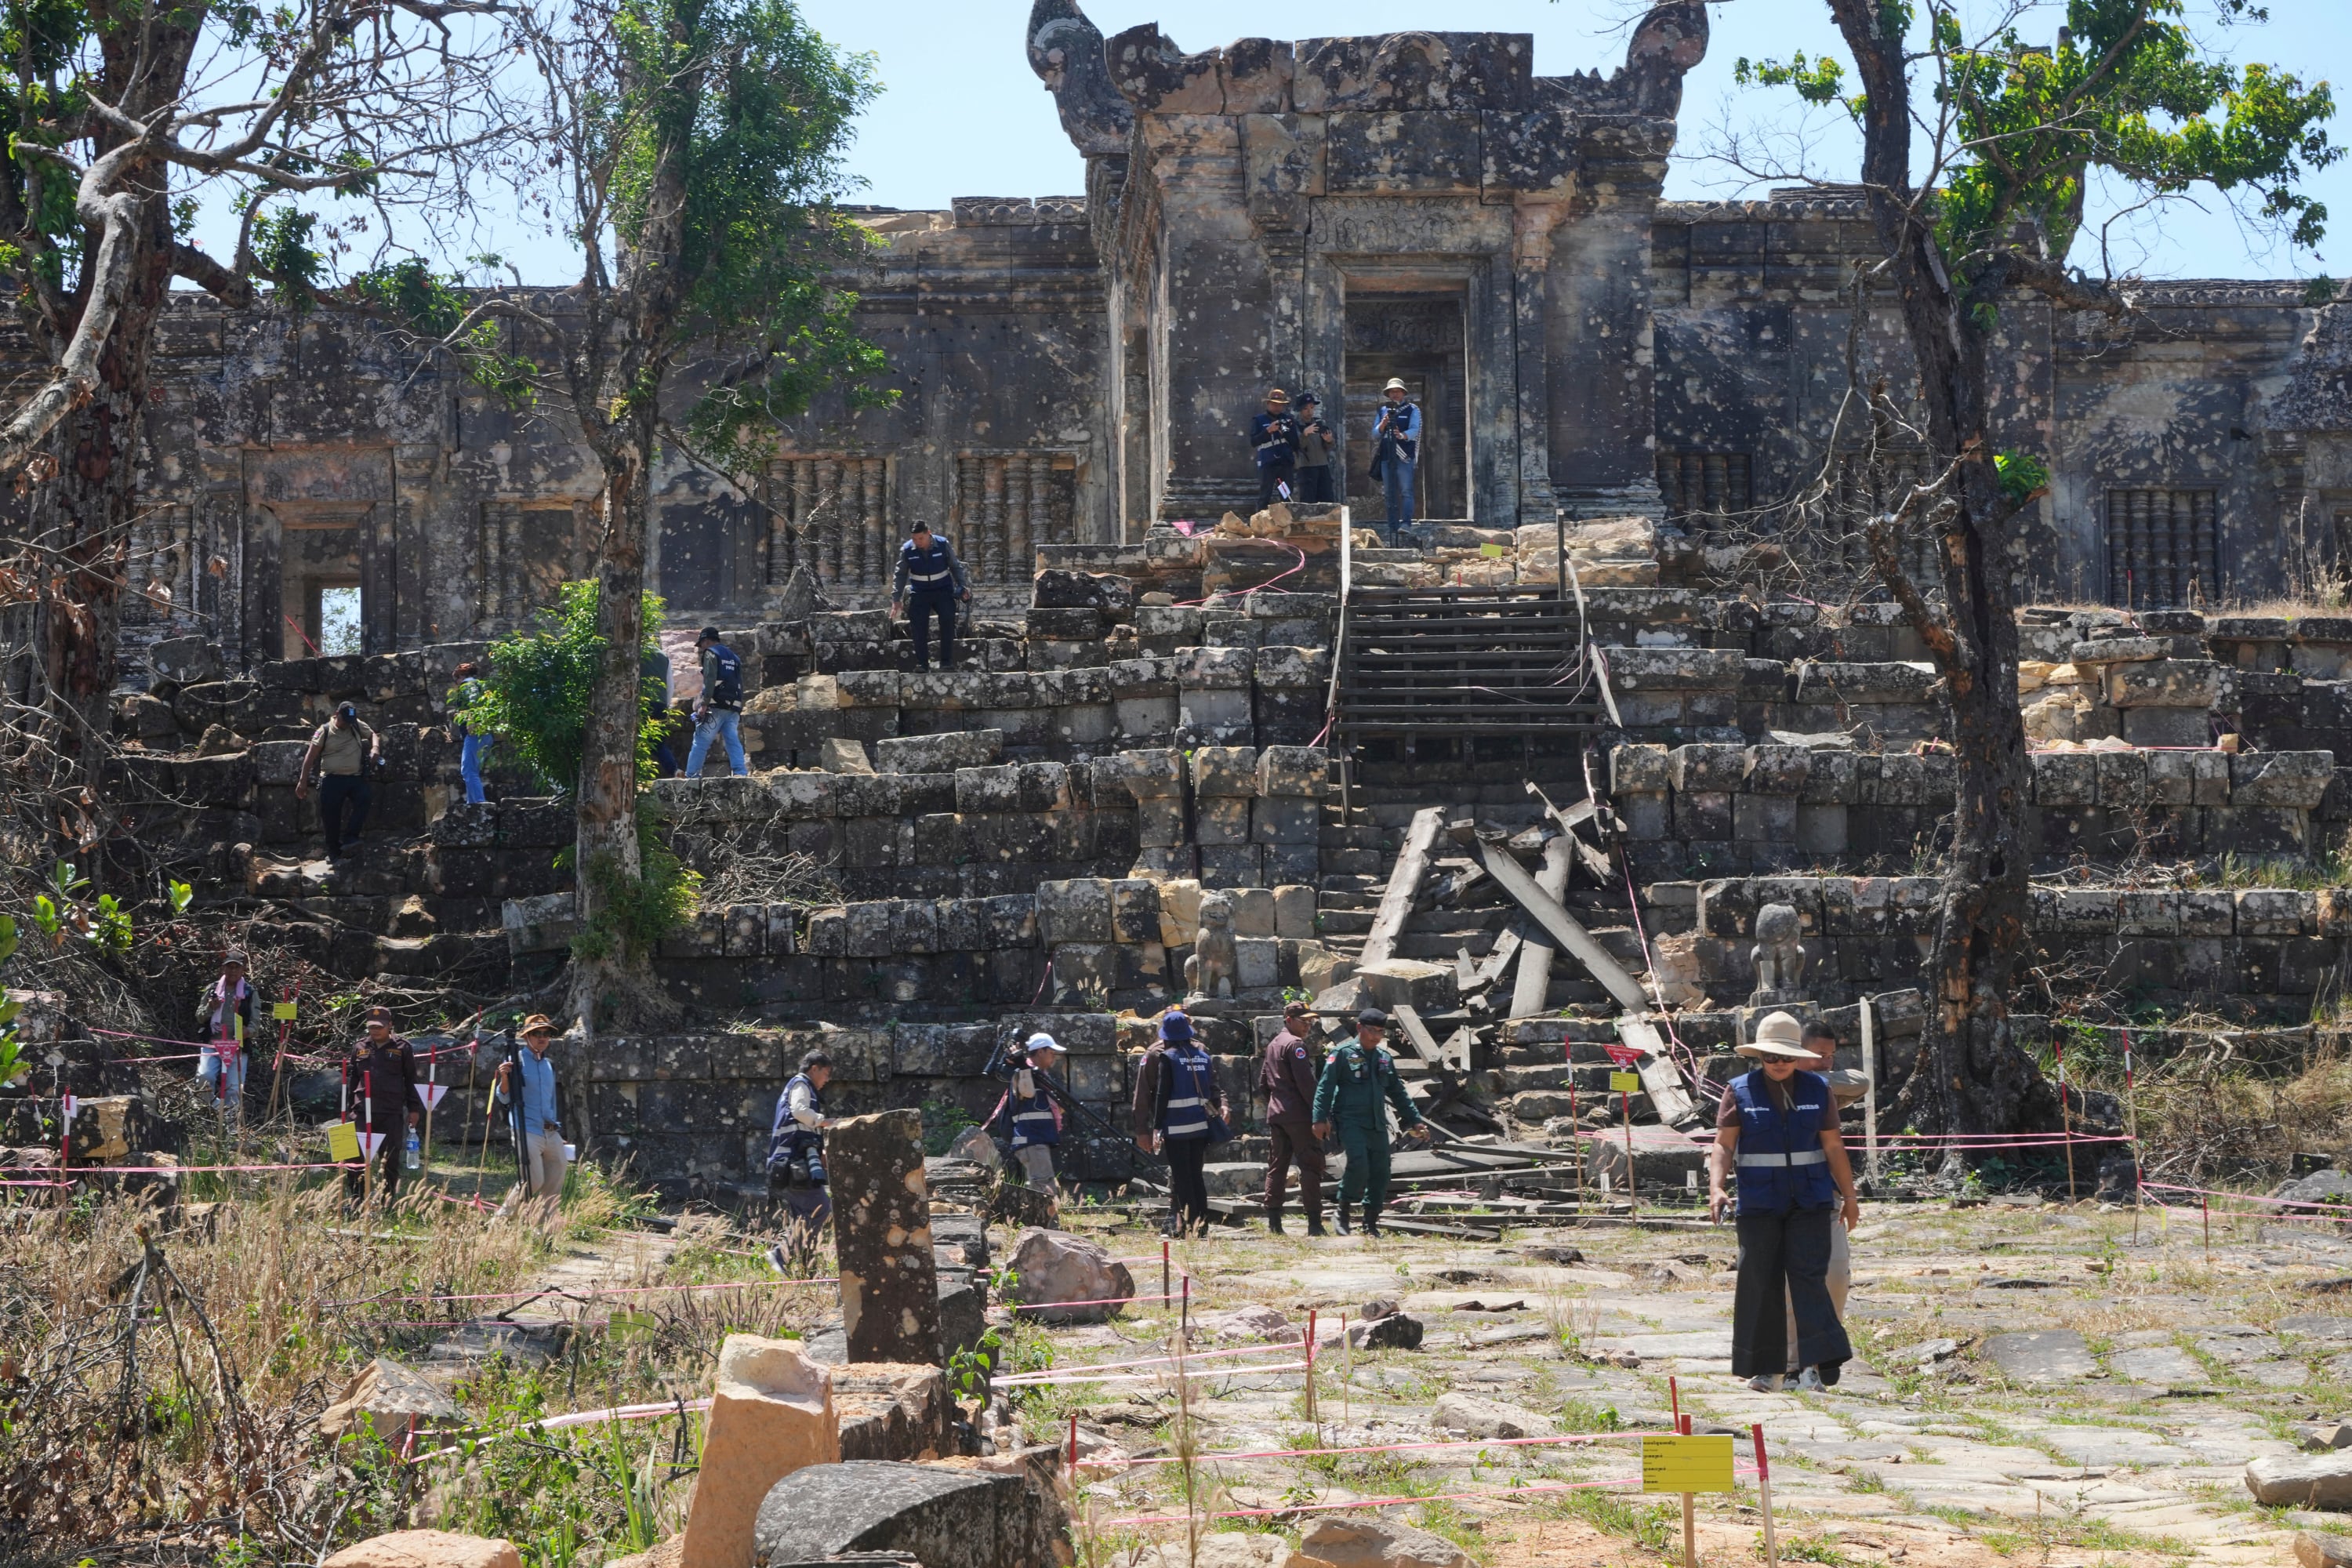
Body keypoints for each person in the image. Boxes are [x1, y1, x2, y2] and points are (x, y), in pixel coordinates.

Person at [1708, 1010, 1860, 1393]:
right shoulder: (1739, 1090)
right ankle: (1766, 1369)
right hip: (1760, 1202)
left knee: (1811, 1281)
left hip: (1811, 1200)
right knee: (1760, 1281)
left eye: (1787, 1057)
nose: (1779, 1063)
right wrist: (1716, 1187)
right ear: (1759, 1056)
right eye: (1770, 1056)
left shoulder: (1817, 1089)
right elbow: (1724, 1144)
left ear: (1798, 1057)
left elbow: (1833, 1146)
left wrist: (1850, 1196)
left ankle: (1812, 1368)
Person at [1312, 1007, 1429, 1237]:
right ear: (1359, 1028)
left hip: (1377, 1122)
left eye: (1380, 1031)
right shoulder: (1342, 1053)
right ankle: (1343, 1211)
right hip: (1350, 1120)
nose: (1376, 1036)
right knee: (1358, 1163)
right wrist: (1319, 1118)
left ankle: (1370, 1222)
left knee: (1381, 1171)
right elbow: (1325, 1087)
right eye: (1372, 1030)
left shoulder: (1384, 1058)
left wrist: (1415, 1120)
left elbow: (1398, 1092)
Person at [1786, 1019, 1854, 1375]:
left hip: (1824, 1194)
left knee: (1836, 1274)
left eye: (1831, 1056)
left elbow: (1860, 1081)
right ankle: (1793, 1362)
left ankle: (1826, 1350)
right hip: (1780, 1196)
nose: (1827, 1062)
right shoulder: (1760, 1089)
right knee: (1787, 1285)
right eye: (1819, 1055)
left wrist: (1815, 1079)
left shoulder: (1824, 1087)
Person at [1132, 1009, 1228, 1238]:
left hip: (1175, 1126)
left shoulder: (1169, 1057)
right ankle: (1197, 1226)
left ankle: (1187, 1226)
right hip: (1199, 1126)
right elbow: (1212, 1089)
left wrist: (1155, 1128)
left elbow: (1160, 1095)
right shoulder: (1199, 1055)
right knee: (1194, 1176)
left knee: (1183, 1178)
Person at [1260, 1000, 1327, 1236]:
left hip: (1277, 1115)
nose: (1308, 1026)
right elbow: (1306, 1083)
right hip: (1298, 1116)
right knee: (1310, 1165)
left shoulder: (1273, 1045)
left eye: (1311, 1022)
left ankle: (1274, 1223)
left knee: (1277, 1166)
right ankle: (1314, 1224)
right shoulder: (1295, 1045)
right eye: (1303, 1021)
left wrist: (1277, 1103)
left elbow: (1263, 1082)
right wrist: (1320, 1114)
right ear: (1288, 1020)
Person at [343, 1007, 421, 1207]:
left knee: (389, 1160)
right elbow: (353, 1080)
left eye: (379, 1027)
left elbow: (411, 1079)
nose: (375, 1030)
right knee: (355, 1160)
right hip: (361, 1111)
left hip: (390, 1112)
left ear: (390, 1026)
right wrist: (349, 1109)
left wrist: (414, 1109)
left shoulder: (403, 1047)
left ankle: (387, 1204)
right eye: (372, 1027)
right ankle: (357, 1202)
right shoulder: (360, 1046)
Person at [495, 1014, 567, 1204]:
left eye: (546, 1034)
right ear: (527, 1037)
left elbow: (551, 1101)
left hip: (550, 1131)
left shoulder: (548, 1065)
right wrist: (504, 1078)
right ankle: (502, 1218)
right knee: (532, 1181)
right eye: (537, 1034)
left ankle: (544, 1223)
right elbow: (504, 1097)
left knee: (556, 1180)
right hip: (526, 1129)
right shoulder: (515, 1061)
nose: (542, 1038)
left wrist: (556, 1130)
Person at [296, 702, 383, 858]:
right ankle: (333, 849)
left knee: (364, 799)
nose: (347, 725)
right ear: (337, 714)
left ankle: (351, 837)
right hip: (332, 779)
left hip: (355, 778)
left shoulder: (355, 724)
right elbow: (310, 756)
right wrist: (302, 781)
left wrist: (375, 748)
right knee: (331, 814)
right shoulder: (324, 731)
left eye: (350, 722)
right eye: (344, 721)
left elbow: (372, 735)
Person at [768, 1048, 837, 1244]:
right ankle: (781, 1255)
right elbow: (799, 1111)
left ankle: (798, 1260)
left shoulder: (802, 1087)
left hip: (790, 1162)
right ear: (814, 1069)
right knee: (822, 1208)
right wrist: (824, 1121)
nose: (827, 1079)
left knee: (803, 1217)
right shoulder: (801, 1084)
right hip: (793, 1163)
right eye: (826, 1073)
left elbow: (801, 1128)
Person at [891, 522, 971, 672]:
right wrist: (896, 599)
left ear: (929, 533)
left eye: (921, 538)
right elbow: (900, 574)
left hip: (943, 590)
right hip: (920, 592)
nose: (917, 542)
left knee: (947, 622)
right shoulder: (907, 549)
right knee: (918, 626)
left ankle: (946, 662)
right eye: (914, 539)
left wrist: (962, 585)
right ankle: (922, 664)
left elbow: (955, 566)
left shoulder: (942, 544)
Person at [195, 950, 256, 1124]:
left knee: (234, 1088)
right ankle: (212, 1113)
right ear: (223, 968)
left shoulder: (250, 992)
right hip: (212, 1044)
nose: (233, 971)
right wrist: (210, 1008)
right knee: (205, 1077)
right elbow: (199, 1017)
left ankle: (230, 1126)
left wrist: (248, 1031)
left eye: (237, 967)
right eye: (230, 967)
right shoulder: (212, 989)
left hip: (237, 1047)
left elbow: (256, 1022)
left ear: (243, 970)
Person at [998, 1033, 1065, 1192]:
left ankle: (1044, 1210)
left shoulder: (1039, 1076)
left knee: (1043, 1184)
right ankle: (1047, 1211)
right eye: (1051, 1052)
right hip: (1032, 1139)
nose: (1054, 1057)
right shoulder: (1024, 1074)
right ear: (1040, 1052)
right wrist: (1023, 1066)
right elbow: (1027, 1092)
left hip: (1037, 1139)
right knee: (1043, 1186)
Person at [685, 626, 748, 777]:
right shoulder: (734, 657)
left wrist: (704, 703)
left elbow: (710, 679)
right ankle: (740, 773)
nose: (702, 648)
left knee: (701, 740)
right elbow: (739, 681)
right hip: (733, 707)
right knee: (732, 740)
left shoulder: (711, 653)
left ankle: (692, 775)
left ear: (706, 641)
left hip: (715, 705)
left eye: (701, 645)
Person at [1371, 378, 1422, 532]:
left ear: (1403, 393)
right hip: (1387, 455)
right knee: (1389, 493)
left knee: (1406, 491)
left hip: (1404, 454)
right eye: (1392, 391)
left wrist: (1401, 435)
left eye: (1398, 391)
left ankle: (1406, 523)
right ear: (1388, 394)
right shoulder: (1382, 410)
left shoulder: (1412, 409)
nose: (1395, 394)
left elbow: (1415, 429)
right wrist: (1383, 424)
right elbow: (1375, 434)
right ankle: (1392, 525)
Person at [1249, 388, 1300, 510]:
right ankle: (1260, 519)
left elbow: (1296, 443)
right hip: (1268, 463)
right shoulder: (1259, 420)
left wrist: (1285, 433)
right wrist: (1268, 431)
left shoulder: (1289, 420)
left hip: (1285, 462)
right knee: (1265, 495)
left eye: (1280, 405)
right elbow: (1253, 442)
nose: (1277, 407)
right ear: (1268, 403)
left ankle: (1287, 519)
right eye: (1274, 404)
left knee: (1286, 496)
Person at [451, 662, 493, 806]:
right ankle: (472, 803)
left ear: (462, 676)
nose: (457, 683)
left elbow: (473, 701)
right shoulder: (482, 685)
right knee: (472, 770)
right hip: (486, 734)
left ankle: (479, 804)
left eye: (456, 679)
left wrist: (471, 721)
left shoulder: (468, 685)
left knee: (468, 770)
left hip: (475, 734)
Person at [1290, 392, 1336, 506]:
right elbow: (1298, 446)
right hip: (1306, 468)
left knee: (1327, 500)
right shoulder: (1295, 426)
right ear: (1300, 410)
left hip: (1322, 466)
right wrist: (1305, 434)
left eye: (1311, 408)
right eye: (1305, 409)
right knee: (1308, 501)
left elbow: (1329, 447)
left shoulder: (1320, 423)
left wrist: (1329, 440)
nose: (1309, 411)